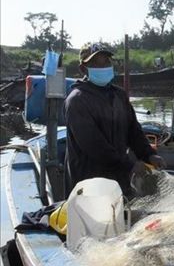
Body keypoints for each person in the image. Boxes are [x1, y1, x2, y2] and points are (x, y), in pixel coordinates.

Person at [64, 42, 165, 198]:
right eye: (96, 63)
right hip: (89, 183)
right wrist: (130, 164)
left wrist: (148, 154)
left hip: (119, 178)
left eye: (106, 61)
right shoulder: (77, 101)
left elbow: (134, 131)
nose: (104, 66)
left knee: (121, 213)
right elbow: (94, 146)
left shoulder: (119, 95)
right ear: (83, 69)